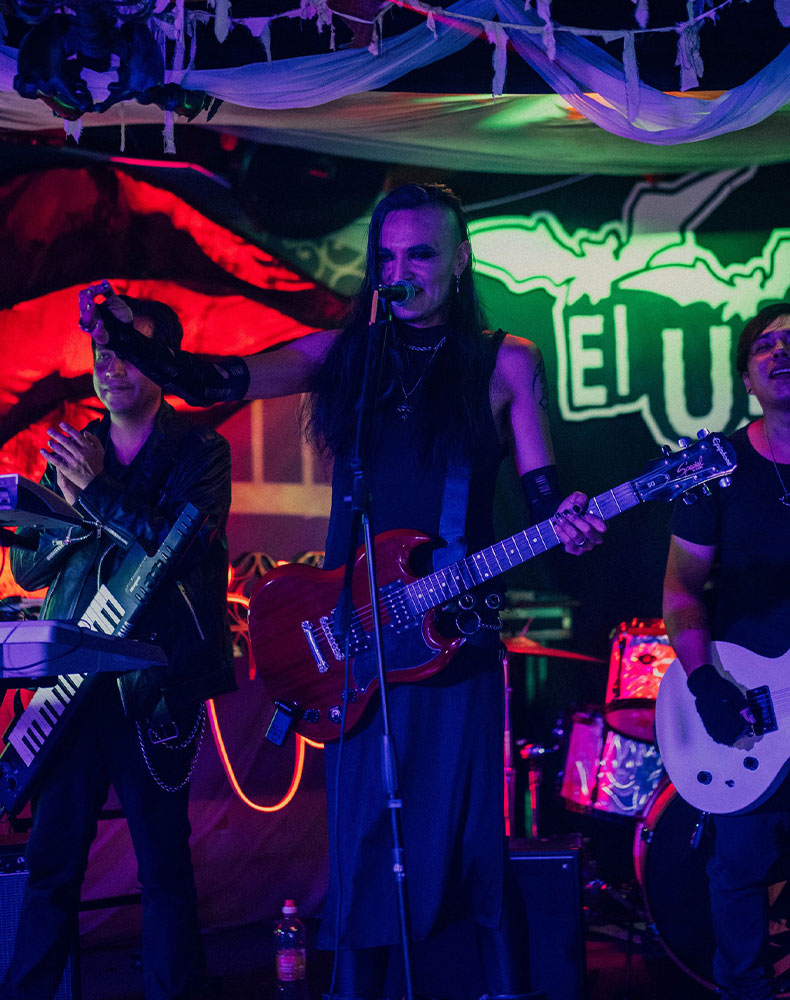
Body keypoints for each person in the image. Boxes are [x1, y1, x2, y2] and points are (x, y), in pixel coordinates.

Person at [83, 183, 605, 1000]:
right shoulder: (343, 357)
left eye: (420, 254)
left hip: (453, 634)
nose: (400, 272)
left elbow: (544, 494)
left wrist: (567, 520)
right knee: (363, 845)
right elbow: (212, 381)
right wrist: (121, 334)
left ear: (461, 261)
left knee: (474, 842)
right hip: (353, 639)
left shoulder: (507, 360)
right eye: (385, 257)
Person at [1, 296, 235, 1000]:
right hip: (72, 689)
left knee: (162, 868)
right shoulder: (75, 449)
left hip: (151, 688)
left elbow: (175, 549)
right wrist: (62, 504)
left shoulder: (201, 451)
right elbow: (32, 569)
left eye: (129, 353)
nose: (111, 367)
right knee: (51, 868)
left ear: (163, 362)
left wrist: (97, 492)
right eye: (102, 354)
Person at [663, 302, 790, 1000]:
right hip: (753, 704)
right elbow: (681, 588)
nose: (781, 352)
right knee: (739, 869)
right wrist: (705, 680)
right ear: (746, 376)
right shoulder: (717, 469)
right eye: (765, 346)